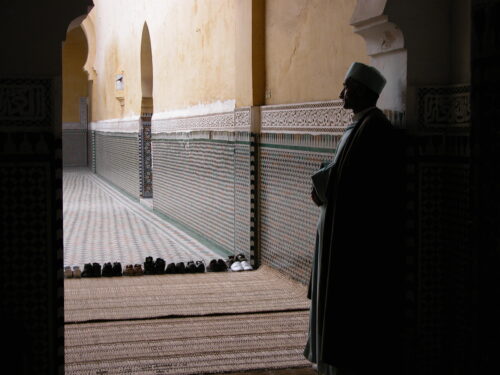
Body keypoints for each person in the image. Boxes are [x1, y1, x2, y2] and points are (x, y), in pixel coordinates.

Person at [304, 62, 405, 375]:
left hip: (351, 239)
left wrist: (321, 184)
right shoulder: (362, 126)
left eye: (346, 87)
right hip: (339, 231)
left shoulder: (372, 129)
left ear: (361, 91)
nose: (340, 94)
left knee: (345, 310)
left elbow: (350, 180)